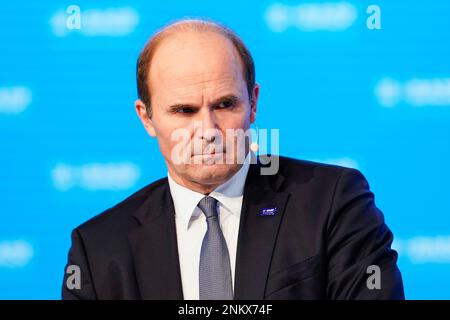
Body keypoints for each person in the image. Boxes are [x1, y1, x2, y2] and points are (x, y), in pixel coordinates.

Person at [62, 19, 404, 300]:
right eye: (184, 110)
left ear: (253, 103)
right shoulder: (99, 249)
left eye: (225, 105)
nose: (208, 130)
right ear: (146, 118)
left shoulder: (333, 203)